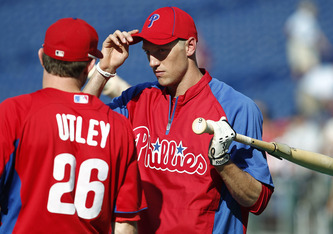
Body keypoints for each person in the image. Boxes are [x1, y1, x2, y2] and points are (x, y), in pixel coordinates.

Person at [84, 6, 274, 233]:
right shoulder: (136, 100)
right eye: (148, 52)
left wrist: (222, 162)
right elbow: (79, 122)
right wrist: (104, 69)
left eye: (162, 51)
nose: (153, 62)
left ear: (190, 46)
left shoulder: (237, 107)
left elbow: (257, 200)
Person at [0, 18, 146, 233]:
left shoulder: (15, 112)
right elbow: (125, 221)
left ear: (42, 58)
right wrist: (103, 70)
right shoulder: (118, 127)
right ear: (89, 66)